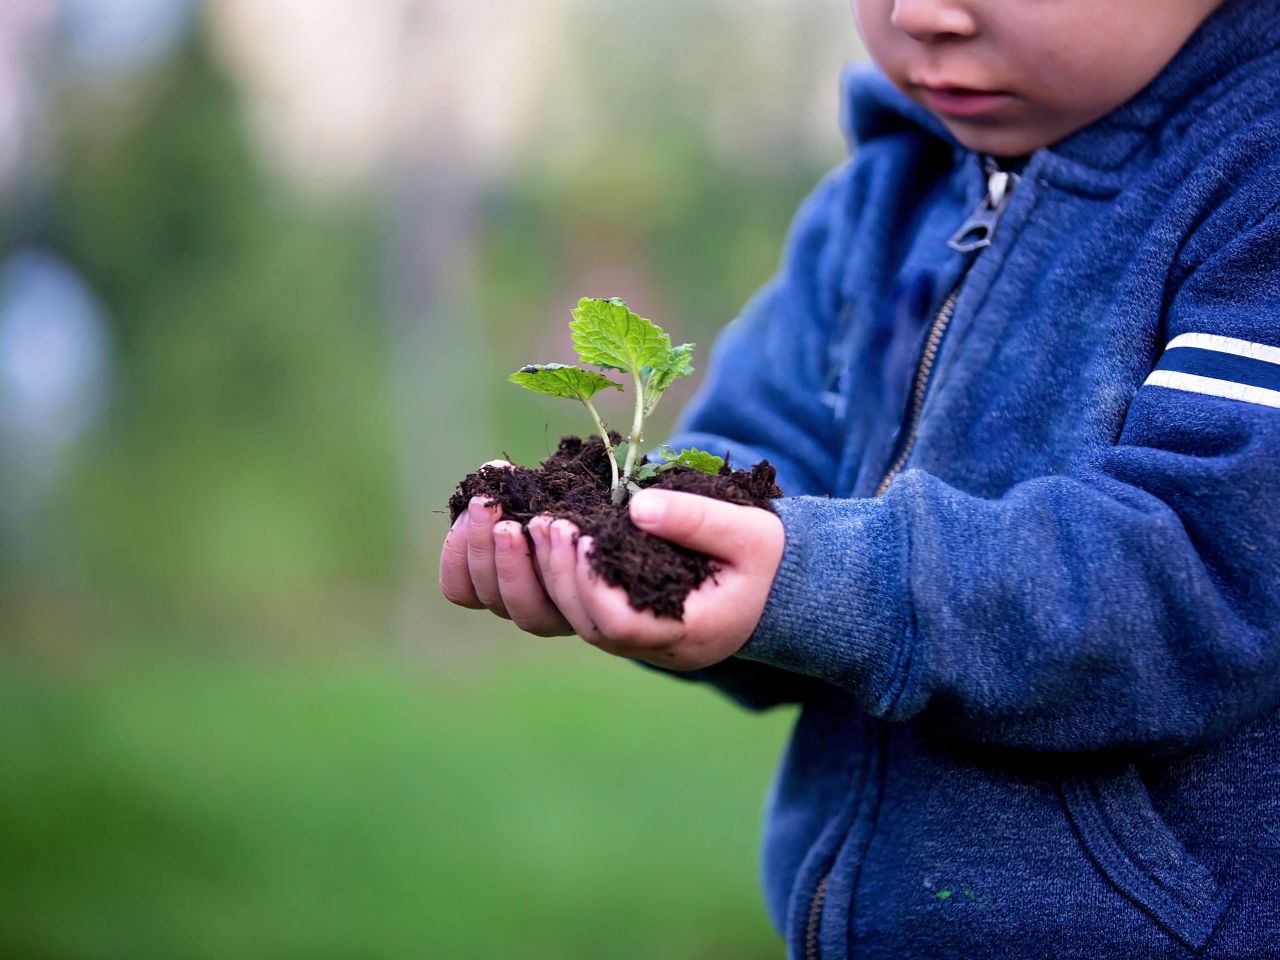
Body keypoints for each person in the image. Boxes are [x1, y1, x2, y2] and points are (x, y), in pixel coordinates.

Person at [440, 0, 1280, 954]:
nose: (918, 12)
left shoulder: (1259, 185)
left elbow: (1204, 565)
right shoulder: (888, 190)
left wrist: (824, 579)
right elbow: (768, 463)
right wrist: (653, 560)